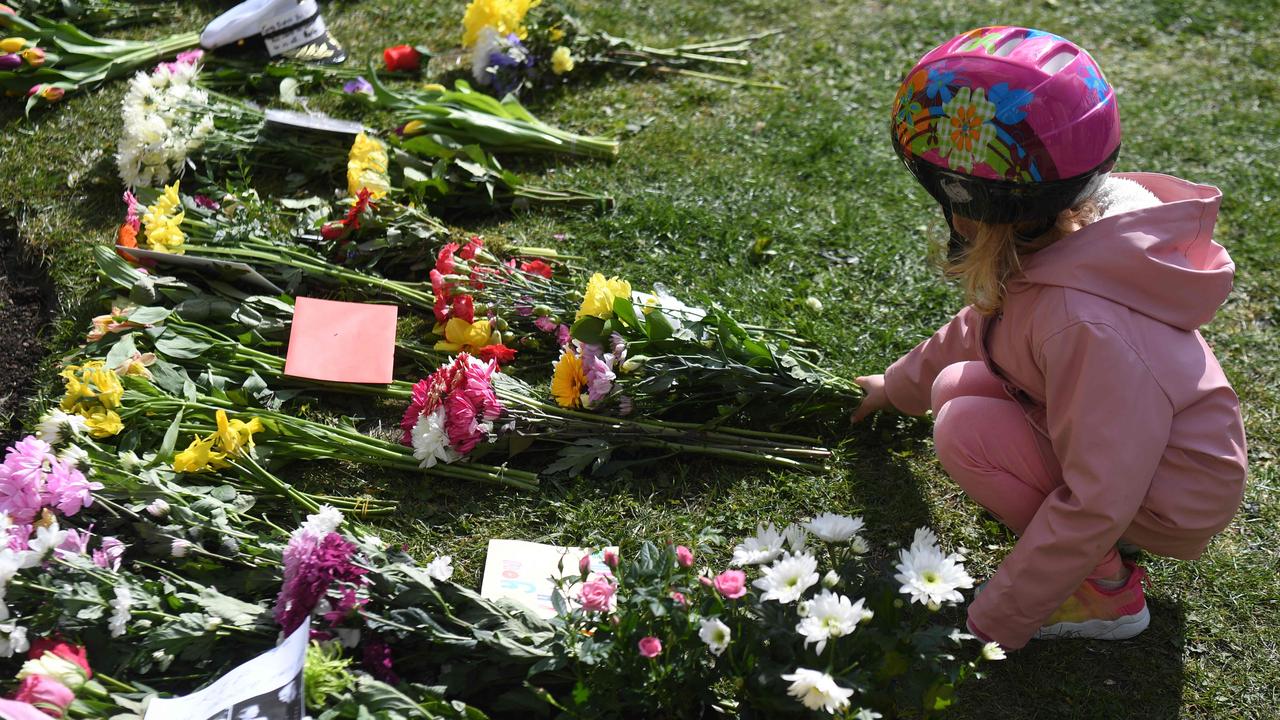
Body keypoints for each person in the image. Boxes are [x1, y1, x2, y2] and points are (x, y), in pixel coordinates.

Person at [852, 26, 1247, 650]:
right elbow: (979, 329)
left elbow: (1098, 497)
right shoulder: (1067, 244)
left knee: (966, 432)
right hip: (1145, 457)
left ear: (964, 195)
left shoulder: (1082, 323)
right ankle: (1079, 559)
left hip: (1169, 495)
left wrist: (997, 621)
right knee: (955, 387)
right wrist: (895, 387)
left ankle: (1105, 594)